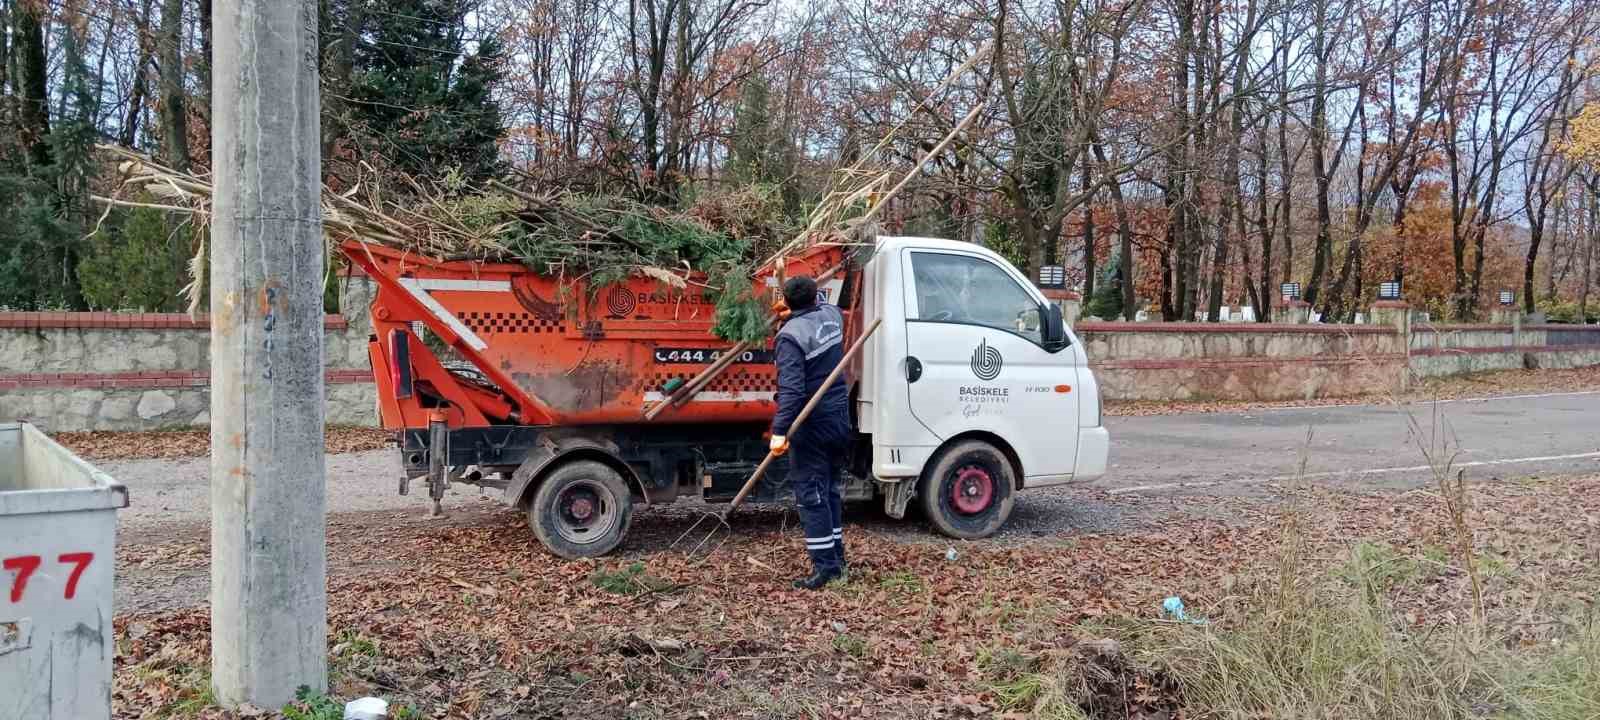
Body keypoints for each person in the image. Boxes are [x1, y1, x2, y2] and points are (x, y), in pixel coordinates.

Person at [768, 275, 851, 590]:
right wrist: (793, 312)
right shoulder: (831, 316)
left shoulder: (790, 337)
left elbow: (791, 391)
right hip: (839, 417)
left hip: (812, 423)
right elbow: (818, 308)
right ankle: (837, 558)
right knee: (829, 489)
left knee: (811, 494)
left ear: (786, 302)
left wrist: (779, 431)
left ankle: (826, 568)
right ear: (817, 297)